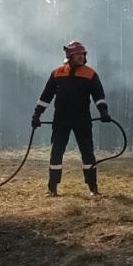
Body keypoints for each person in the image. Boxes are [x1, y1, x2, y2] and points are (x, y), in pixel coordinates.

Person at [33, 41, 111, 196]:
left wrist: (104, 112)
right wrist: (37, 114)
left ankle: (93, 189)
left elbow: (99, 96)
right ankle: (52, 188)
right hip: (61, 119)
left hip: (82, 119)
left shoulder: (90, 74)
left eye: (83, 54)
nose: (81, 57)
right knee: (57, 151)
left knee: (87, 152)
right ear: (70, 55)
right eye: (78, 54)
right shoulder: (57, 73)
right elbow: (46, 97)